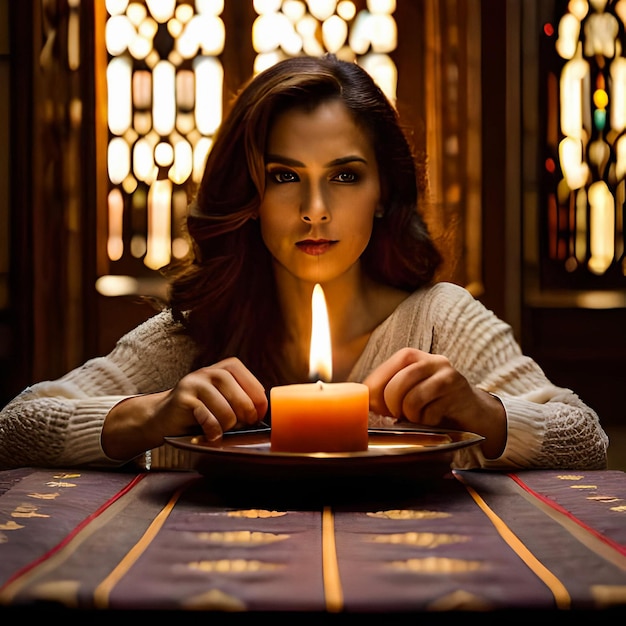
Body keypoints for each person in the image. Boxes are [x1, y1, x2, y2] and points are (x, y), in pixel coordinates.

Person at [0, 54, 608, 471]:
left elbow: (586, 440)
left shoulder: (438, 321)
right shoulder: (204, 329)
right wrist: (151, 416)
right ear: (249, 198)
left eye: (345, 176)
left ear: (383, 196)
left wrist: (483, 414)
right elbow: (16, 426)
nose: (314, 211)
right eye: (285, 176)